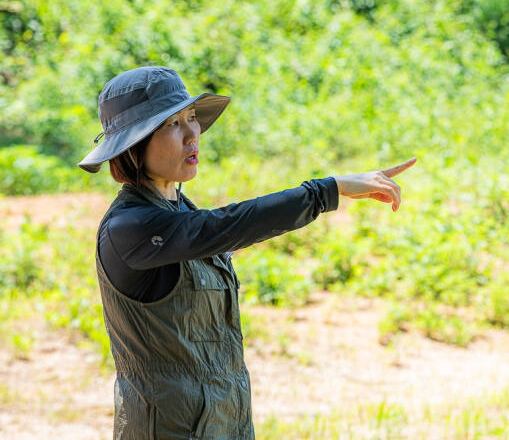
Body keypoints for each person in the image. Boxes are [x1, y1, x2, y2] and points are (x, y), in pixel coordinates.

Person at [78, 66, 416, 439]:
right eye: (173, 124)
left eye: (191, 118)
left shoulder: (180, 211)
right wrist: (326, 191)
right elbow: (229, 225)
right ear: (133, 145)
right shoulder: (130, 227)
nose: (194, 134)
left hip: (226, 422)